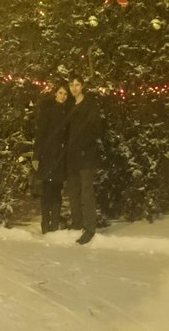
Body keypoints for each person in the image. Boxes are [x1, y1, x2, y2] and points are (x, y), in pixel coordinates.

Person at [66, 75, 102, 245]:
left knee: (87, 192)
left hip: (86, 155)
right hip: (71, 156)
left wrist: (83, 146)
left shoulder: (89, 106)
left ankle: (89, 228)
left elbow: (95, 129)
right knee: (73, 191)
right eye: (71, 85)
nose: (74, 88)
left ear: (82, 86)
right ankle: (77, 223)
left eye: (77, 85)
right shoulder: (69, 105)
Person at [32, 82, 69, 234]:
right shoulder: (48, 111)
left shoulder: (68, 111)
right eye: (60, 93)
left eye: (65, 94)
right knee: (47, 189)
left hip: (61, 156)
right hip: (47, 155)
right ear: (55, 94)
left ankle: (54, 224)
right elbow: (40, 134)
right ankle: (45, 224)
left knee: (57, 190)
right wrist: (36, 156)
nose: (63, 96)